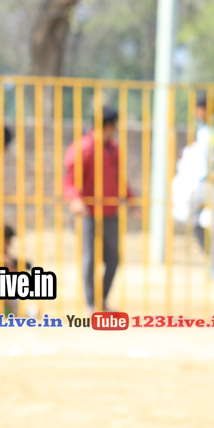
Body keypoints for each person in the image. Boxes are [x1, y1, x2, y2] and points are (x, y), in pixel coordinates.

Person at [63, 106, 135, 312]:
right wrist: (75, 200)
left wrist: (131, 201)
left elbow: (119, 179)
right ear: (109, 126)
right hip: (88, 215)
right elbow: (69, 181)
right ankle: (91, 304)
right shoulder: (83, 148)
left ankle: (100, 299)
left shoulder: (113, 149)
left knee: (113, 259)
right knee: (89, 259)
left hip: (110, 213)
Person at [188, 92, 214, 279]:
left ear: (206, 109)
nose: (197, 114)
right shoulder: (202, 128)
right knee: (193, 221)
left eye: (199, 110)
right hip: (202, 182)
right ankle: (212, 254)